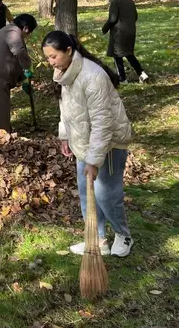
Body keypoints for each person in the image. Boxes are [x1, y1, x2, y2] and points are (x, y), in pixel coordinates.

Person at [41, 30, 134, 257]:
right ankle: (97, 238)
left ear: (69, 51)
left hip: (109, 144)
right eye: (47, 58)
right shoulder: (65, 73)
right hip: (84, 142)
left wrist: (94, 160)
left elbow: (103, 124)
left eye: (54, 56)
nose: (51, 62)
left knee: (106, 193)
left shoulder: (92, 77)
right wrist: (65, 136)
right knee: (86, 193)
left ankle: (123, 236)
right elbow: (66, 110)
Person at [102, 0, 149, 84]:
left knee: (117, 56)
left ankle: (122, 78)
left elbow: (112, 19)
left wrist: (104, 28)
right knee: (129, 54)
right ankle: (142, 74)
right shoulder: (130, 1)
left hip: (119, 33)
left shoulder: (115, 2)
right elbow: (135, 16)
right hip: (131, 32)